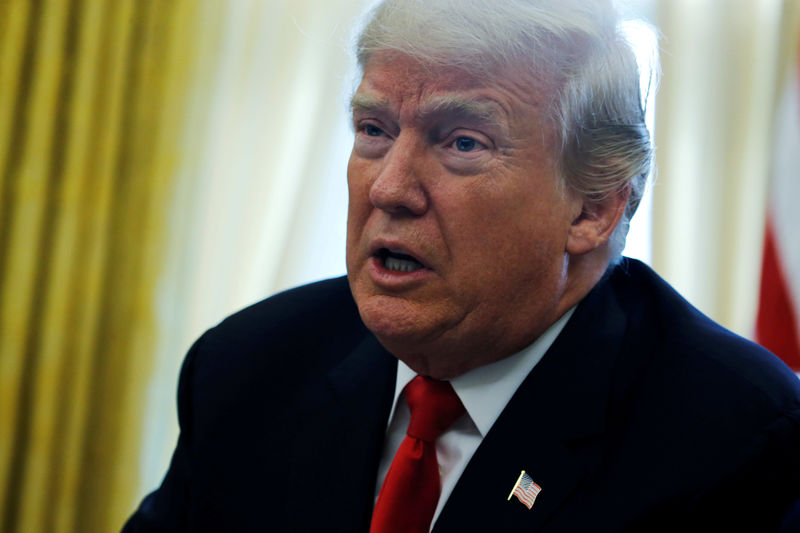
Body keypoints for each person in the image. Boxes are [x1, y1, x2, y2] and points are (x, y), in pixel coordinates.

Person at [123, 0, 800, 531]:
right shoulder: (248, 368)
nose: (388, 187)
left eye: (463, 142)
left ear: (593, 207)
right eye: (374, 131)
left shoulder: (740, 443)